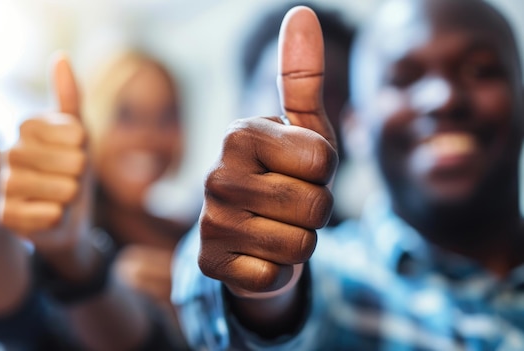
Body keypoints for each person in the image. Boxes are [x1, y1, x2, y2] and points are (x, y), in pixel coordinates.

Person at [172, 1, 524, 350]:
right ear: (355, 126)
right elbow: (258, 319)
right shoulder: (341, 278)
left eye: (480, 71)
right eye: (403, 78)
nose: (444, 98)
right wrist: (260, 286)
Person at [0, 51, 195, 350]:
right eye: (126, 116)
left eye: (167, 116)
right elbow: (15, 318)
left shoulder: (193, 232)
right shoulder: (58, 219)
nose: (149, 137)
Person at [239, 2, 355, 227]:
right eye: (280, 85)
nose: (303, 108)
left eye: (328, 92)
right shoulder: (185, 238)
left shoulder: (363, 252)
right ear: (245, 103)